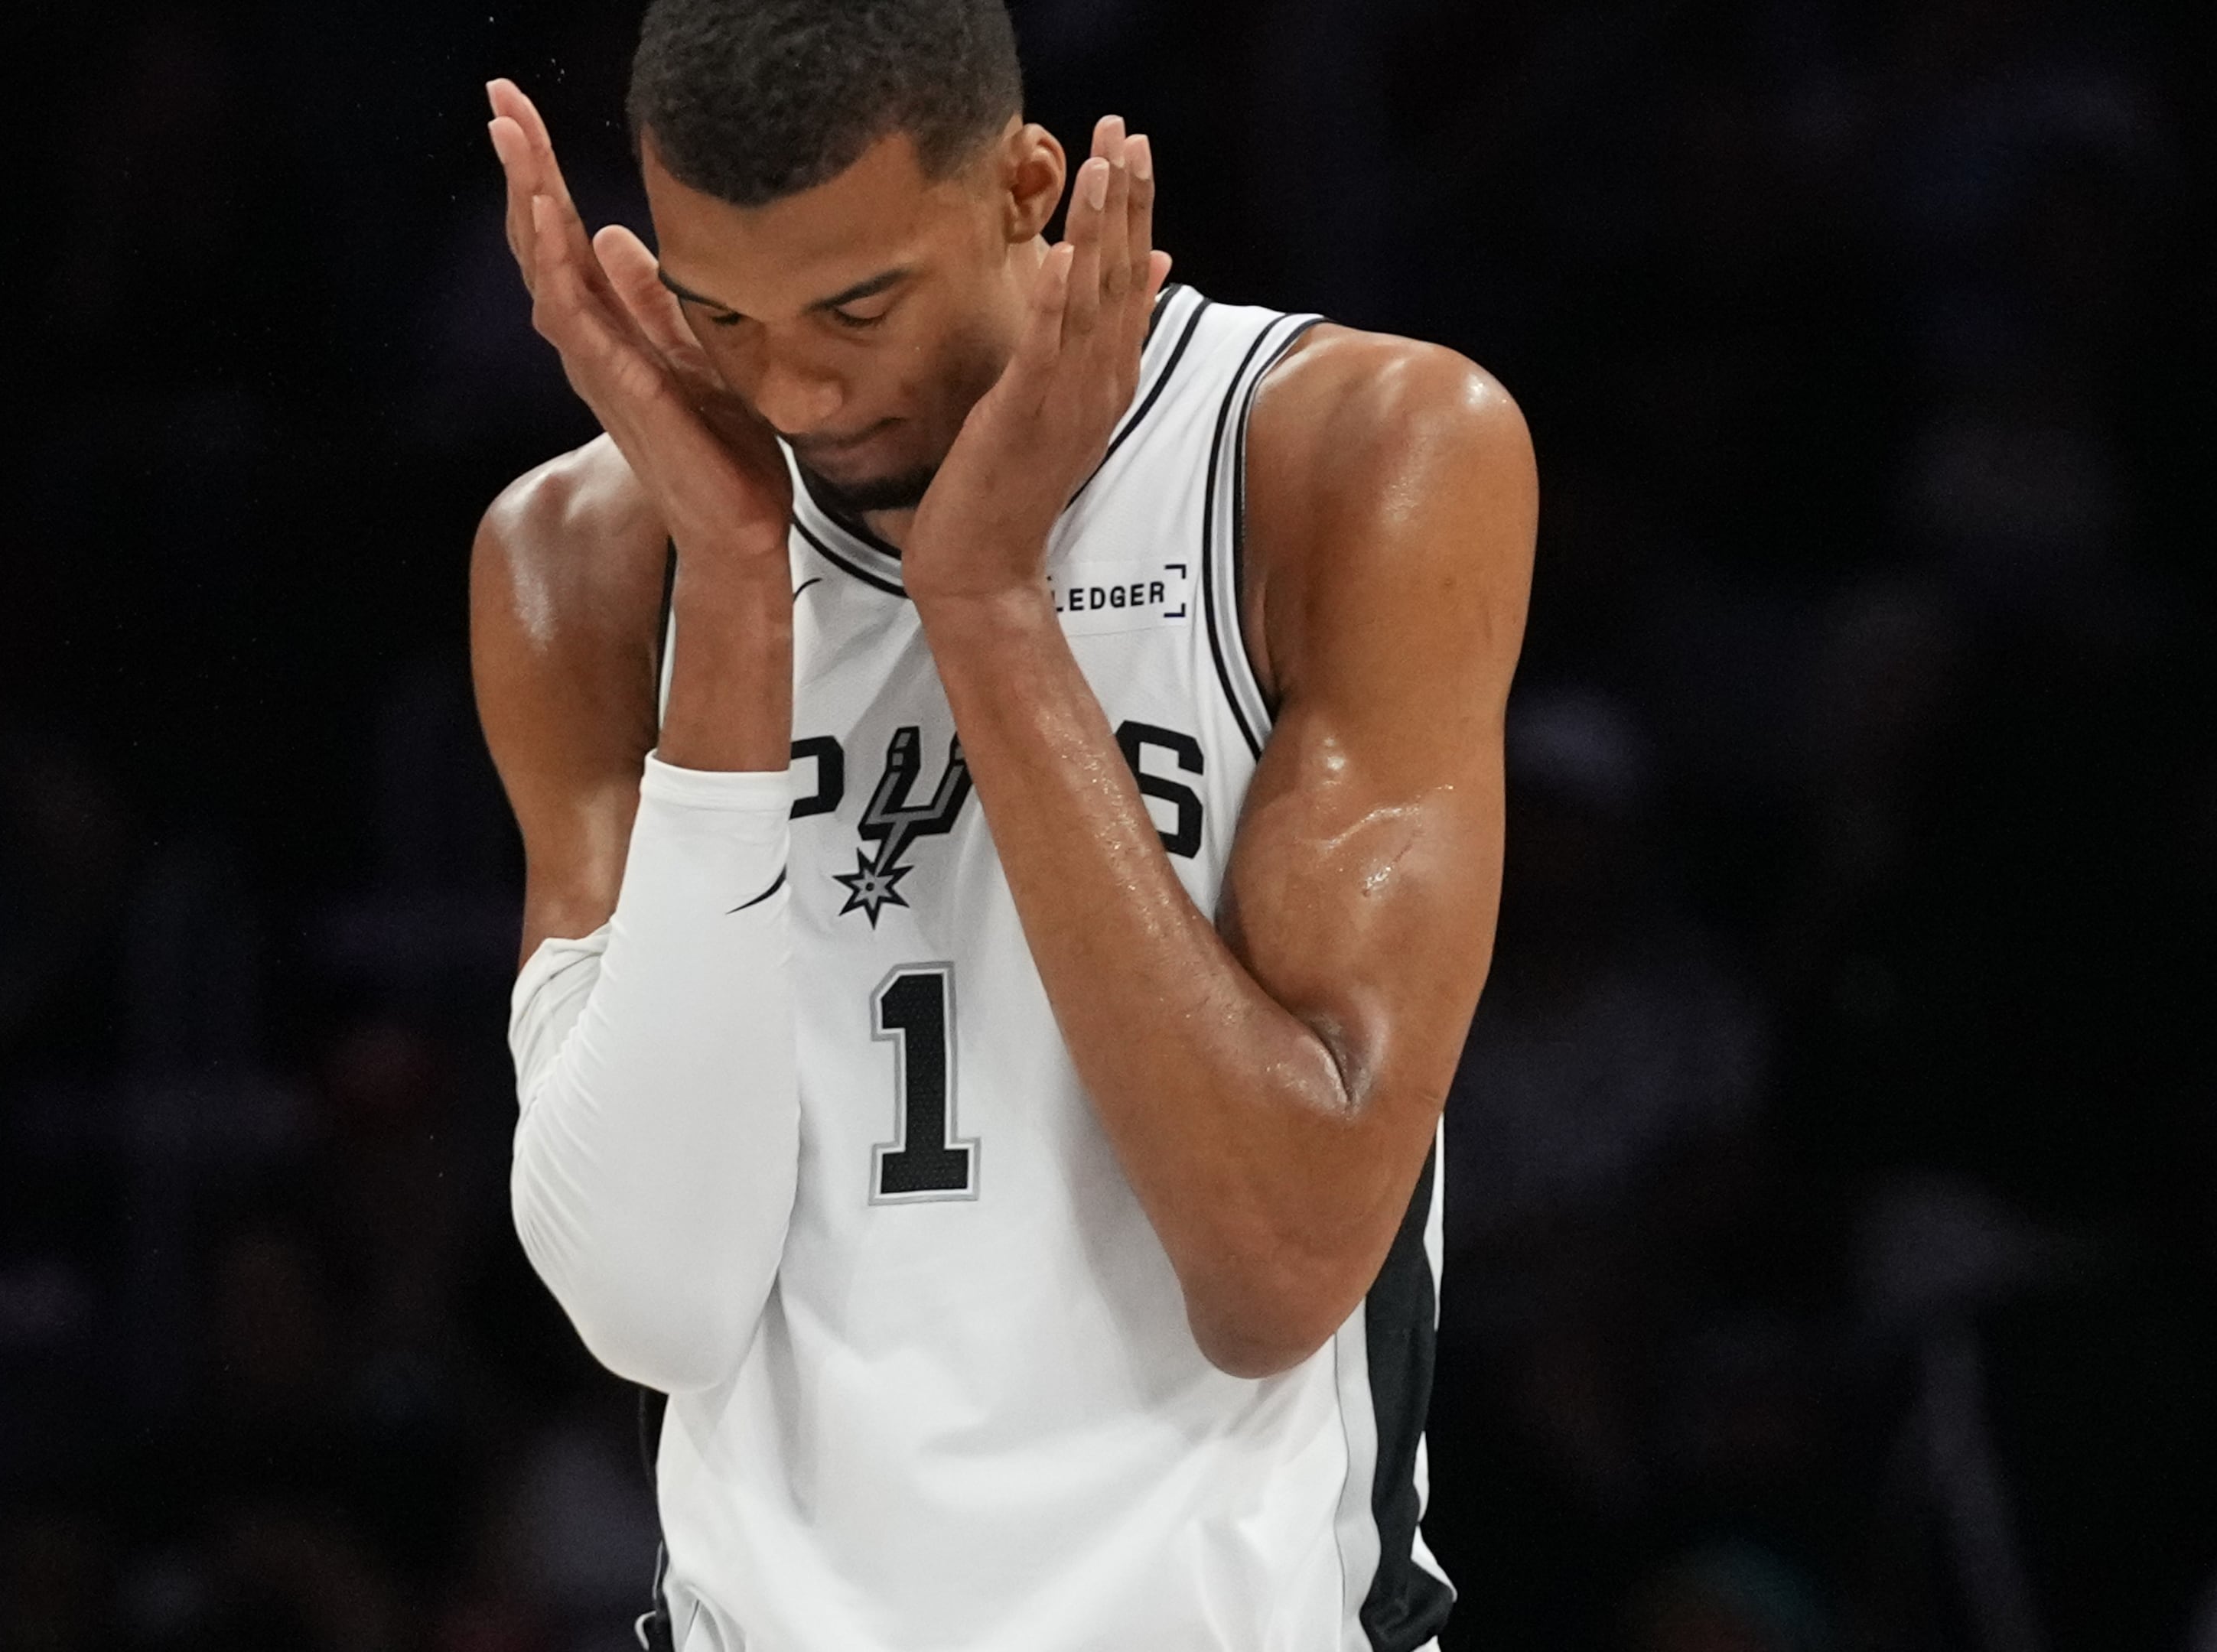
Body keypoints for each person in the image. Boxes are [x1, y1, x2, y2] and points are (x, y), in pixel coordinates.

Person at [467, 2, 1535, 1647]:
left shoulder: (1343, 457)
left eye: (859, 303)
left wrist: (982, 601)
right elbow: (655, 1302)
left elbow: (1279, 1266)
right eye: (720, 315)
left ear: (1028, 187)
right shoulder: (590, 558)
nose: (800, 390)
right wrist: (745, 588)